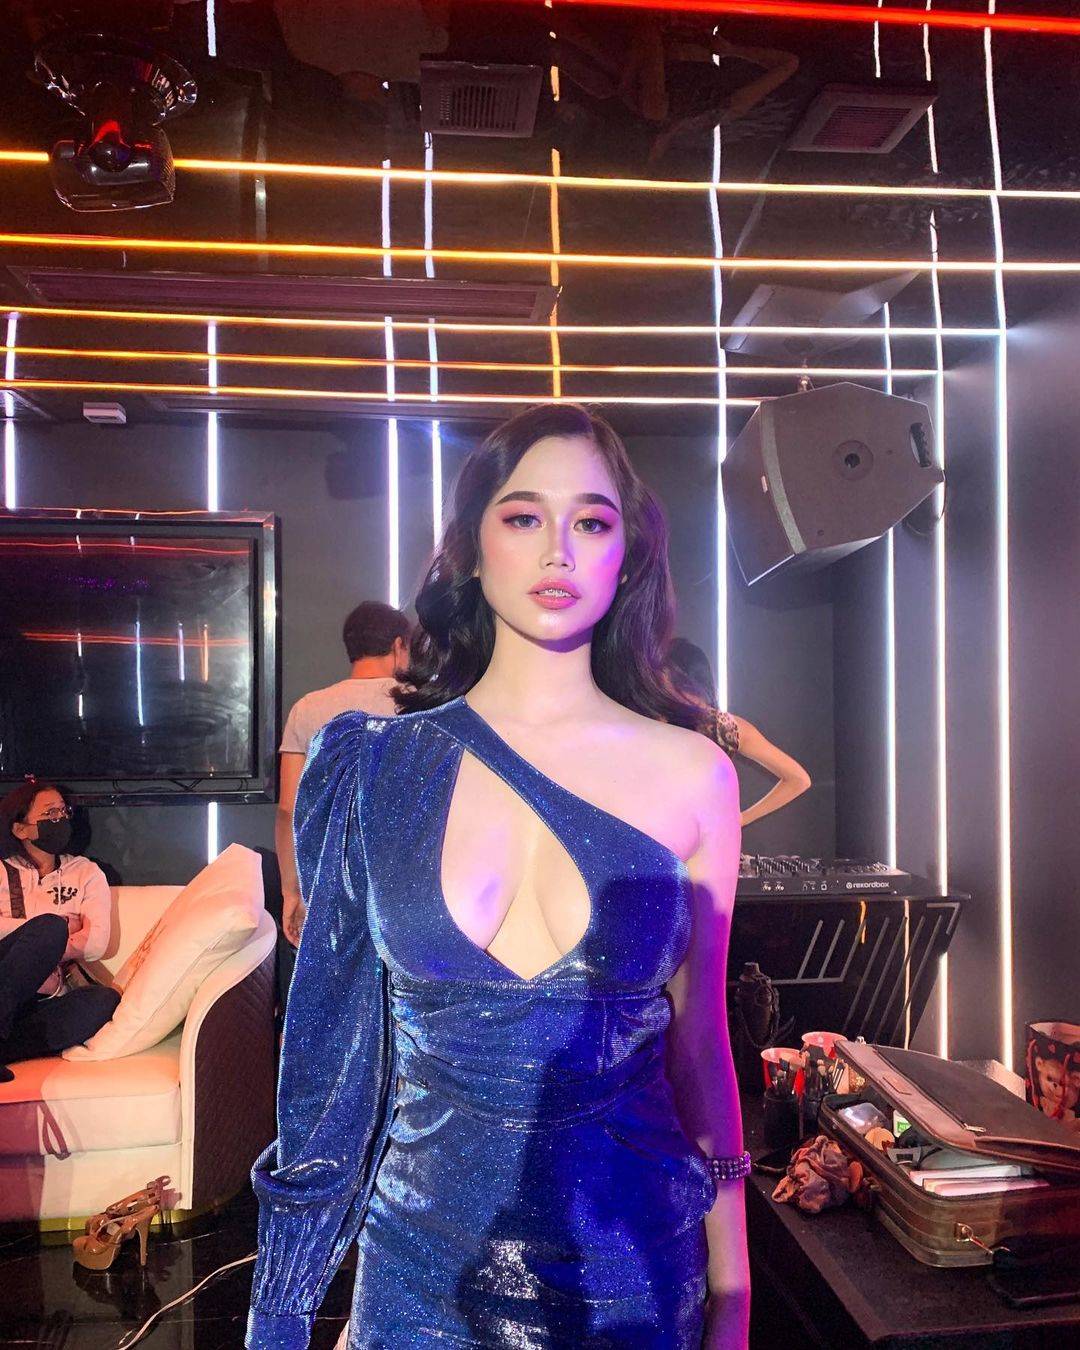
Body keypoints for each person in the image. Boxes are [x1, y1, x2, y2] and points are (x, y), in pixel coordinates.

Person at [246, 404, 749, 1348]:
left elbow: (701, 1043)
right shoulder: (371, 767)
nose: (559, 548)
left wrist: (736, 1287)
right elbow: (325, 1078)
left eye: (591, 520)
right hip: (418, 1281)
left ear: (627, 556)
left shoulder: (695, 775)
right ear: (473, 549)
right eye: (524, 516)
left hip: (634, 1273)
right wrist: (282, 1313)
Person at [276, 602, 410, 947]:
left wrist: (291, 891)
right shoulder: (421, 704)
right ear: (398, 645)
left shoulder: (308, 708)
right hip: (407, 882)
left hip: (331, 882)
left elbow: (289, 809)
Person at [0, 781, 118, 1083]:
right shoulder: (1, 870)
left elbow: (96, 943)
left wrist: (39, 947)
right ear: (21, 829)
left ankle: (4, 1049)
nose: (60, 819)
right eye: (49, 813)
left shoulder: (86, 872)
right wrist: (57, 931)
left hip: (45, 1001)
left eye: (63, 812)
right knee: (50, 927)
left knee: (104, 1001)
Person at [667, 637, 812, 829]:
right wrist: (741, 819)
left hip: (676, 835)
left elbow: (799, 780)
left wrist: (741, 819)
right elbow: (799, 779)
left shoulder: (722, 727)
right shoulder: (726, 727)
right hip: (697, 836)